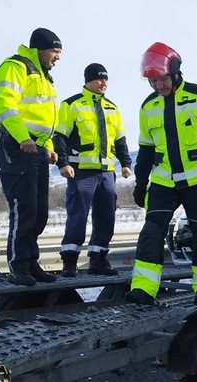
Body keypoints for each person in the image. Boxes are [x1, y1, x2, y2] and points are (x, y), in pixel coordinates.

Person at [124, 42, 197, 305]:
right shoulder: (148, 107)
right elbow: (145, 149)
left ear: (175, 72)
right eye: (153, 82)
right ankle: (143, 287)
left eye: (162, 79)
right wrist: (141, 183)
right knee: (151, 233)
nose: (158, 86)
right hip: (163, 183)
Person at [0, 28, 62, 285]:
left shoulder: (44, 77)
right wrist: (23, 138)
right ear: (40, 49)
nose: (57, 57)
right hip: (16, 144)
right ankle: (18, 267)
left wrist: (50, 146)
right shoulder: (15, 67)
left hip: (38, 148)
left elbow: (44, 119)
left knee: (39, 213)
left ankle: (31, 263)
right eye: (55, 51)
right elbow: (5, 106)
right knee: (24, 209)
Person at [53, 63, 132, 277]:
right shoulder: (71, 105)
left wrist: (125, 163)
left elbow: (120, 139)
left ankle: (98, 260)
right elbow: (59, 136)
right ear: (88, 80)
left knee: (106, 217)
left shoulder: (112, 107)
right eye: (99, 79)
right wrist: (63, 163)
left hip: (107, 172)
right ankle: (69, 262)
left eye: (106, 79)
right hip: (81, 172)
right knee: (77, 217)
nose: (103, 83)